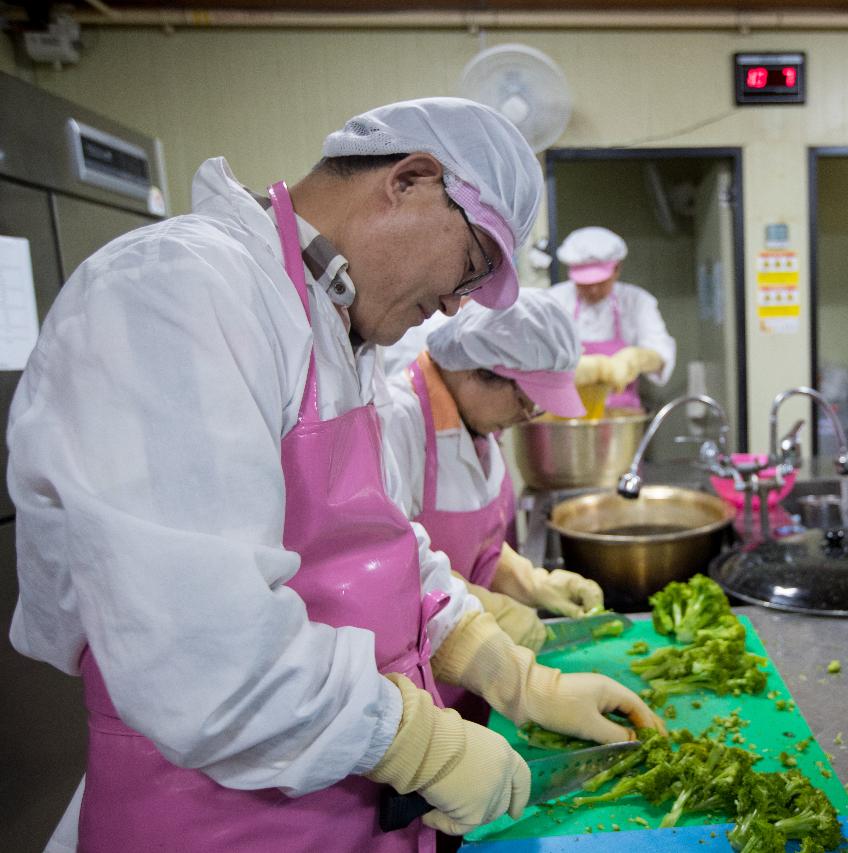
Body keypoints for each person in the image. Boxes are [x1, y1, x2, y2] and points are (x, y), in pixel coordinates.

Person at [11, 97, 660, 853]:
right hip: (219, 826)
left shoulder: (334, 328)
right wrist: (427, 745)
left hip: (353, 815)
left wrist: (511, 671)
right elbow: (207, 658)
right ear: (412, 179)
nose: (457, 303)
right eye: (472, 265)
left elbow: (389, 552)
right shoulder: (178, 290)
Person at [379, 289, 606, 674]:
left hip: (482, 674)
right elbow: (394, 570)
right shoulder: (397, 421)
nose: (527, 415)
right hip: (426, 677)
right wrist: (492, 609)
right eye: (525, 401)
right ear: (478, 372)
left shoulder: (481, 422)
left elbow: (472, 547)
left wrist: (531, 582)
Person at [547, 226, 676, 410]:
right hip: (564, 416)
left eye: (600, 282)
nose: (593, 290)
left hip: (621, 416)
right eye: (585, 283)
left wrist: (635, 359)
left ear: (617, 269)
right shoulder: (553, 301)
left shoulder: (637, 301)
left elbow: (661, 355)